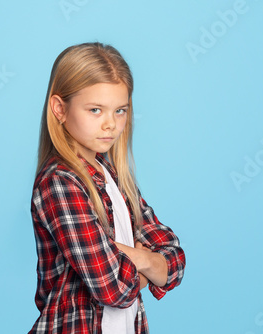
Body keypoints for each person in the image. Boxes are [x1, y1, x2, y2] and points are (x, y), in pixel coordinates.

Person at [29, 42, 186, 334]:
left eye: (120, 110)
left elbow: (175, 259)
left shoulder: (112, 175)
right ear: (60, 108)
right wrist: (151, 268)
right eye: (95, 110)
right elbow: (113, 288)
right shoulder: (60, 182)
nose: (110, 125)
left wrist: (138, 258)